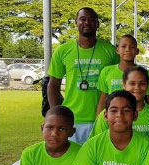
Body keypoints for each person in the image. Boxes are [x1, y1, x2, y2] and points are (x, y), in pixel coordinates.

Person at [47, 7, 119, 144]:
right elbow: (53, 84)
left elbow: (119, 81)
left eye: (91, 20)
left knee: (97, 156)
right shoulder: (63, 50)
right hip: (71, 119)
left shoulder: (110, 51)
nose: (87, 22)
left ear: (97, 24)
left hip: (101, 118)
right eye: (83, 19)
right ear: (76, 22)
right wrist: (55, 113)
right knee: (71, 156)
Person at [91, 67, 149, 140]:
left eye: (142, 84)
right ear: (124, 85)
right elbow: (97, 144)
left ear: (148, 86)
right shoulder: (109, 114)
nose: (137, 88)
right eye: (132, 83)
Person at [98, 35, 146, 114]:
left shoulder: (145, 73)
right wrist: (99, 118)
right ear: (117, 50)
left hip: (138, 116)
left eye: (132, 47)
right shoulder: (106, 71)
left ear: (137, 51)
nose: (127, 50)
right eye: (123, 46)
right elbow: (103, 100)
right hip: (113, 116)